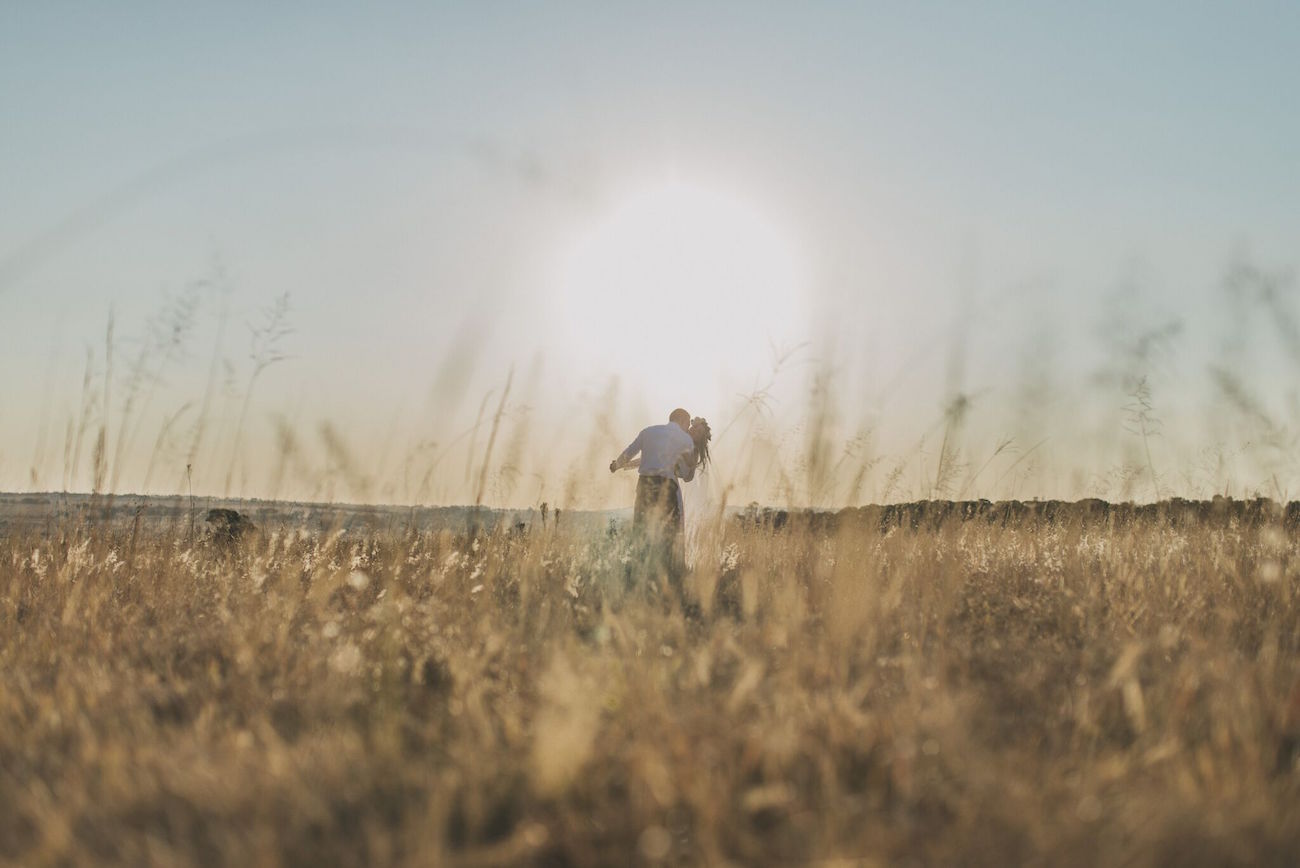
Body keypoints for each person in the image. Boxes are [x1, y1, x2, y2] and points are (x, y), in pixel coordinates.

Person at [610, 408, 707, 580]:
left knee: (641, 528)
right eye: (688, 422)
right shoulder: (684, 439)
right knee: (668, 533)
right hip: (666, 488)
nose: (689, 426)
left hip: (644, 485)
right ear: (683, 421)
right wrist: (690, 458)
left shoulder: (648, 431)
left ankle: (639, 573)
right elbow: (687, 472)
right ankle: (665, 575)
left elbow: (629, 452)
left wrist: (616, 465)